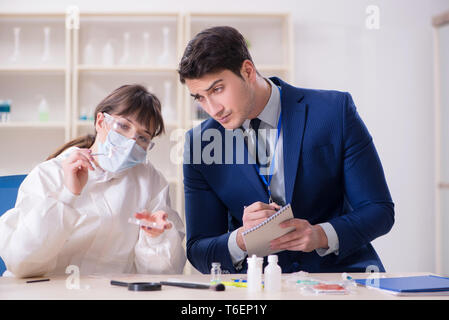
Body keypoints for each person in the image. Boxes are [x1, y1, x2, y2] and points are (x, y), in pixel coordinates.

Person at [179, 26, 394, 274]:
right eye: (199, 97)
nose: (212, 109)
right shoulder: (200, 142)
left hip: (340, 278)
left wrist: (320, 235)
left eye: (217, 90)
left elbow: (379, 210)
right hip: (258, 288)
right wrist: (240, 239)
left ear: (247, 71)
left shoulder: (334, 111)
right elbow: (198, 250)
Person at [0, 84, 186, 278]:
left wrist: (155, 238)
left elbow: (163, 275)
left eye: (143, 138)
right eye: (123, 126)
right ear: (100, 121)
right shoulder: (50, 174)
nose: (131, 142)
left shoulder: (150, 181)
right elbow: (21, 263)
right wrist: (68, 197)